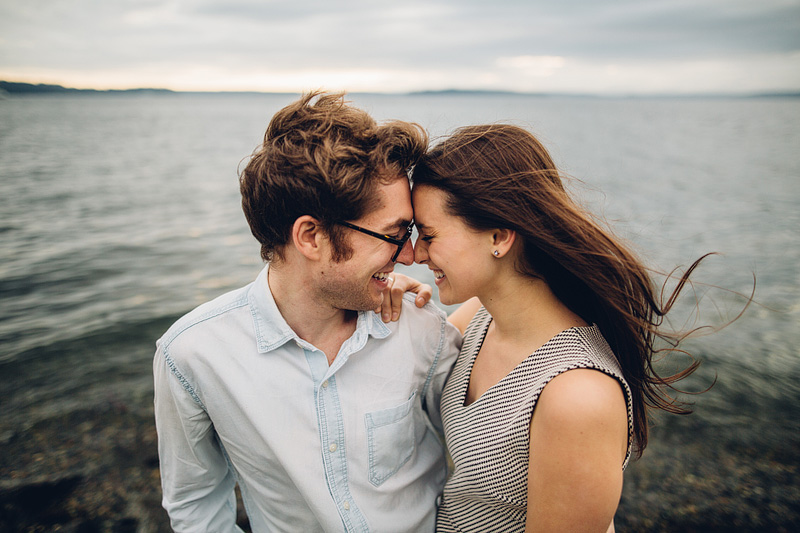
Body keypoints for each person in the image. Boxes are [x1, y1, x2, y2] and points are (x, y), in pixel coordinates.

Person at [153, 92, 461, 532]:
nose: (410, 255)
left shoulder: (420, 327)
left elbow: (478, 458)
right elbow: (196, 503)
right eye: (395, 234)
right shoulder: (191, 356)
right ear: (311, 236)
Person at [411, 124, 717, 532]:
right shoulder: (479, 317)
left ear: (499, 236)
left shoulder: (577, 395)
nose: (414, 254)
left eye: (428, 236)